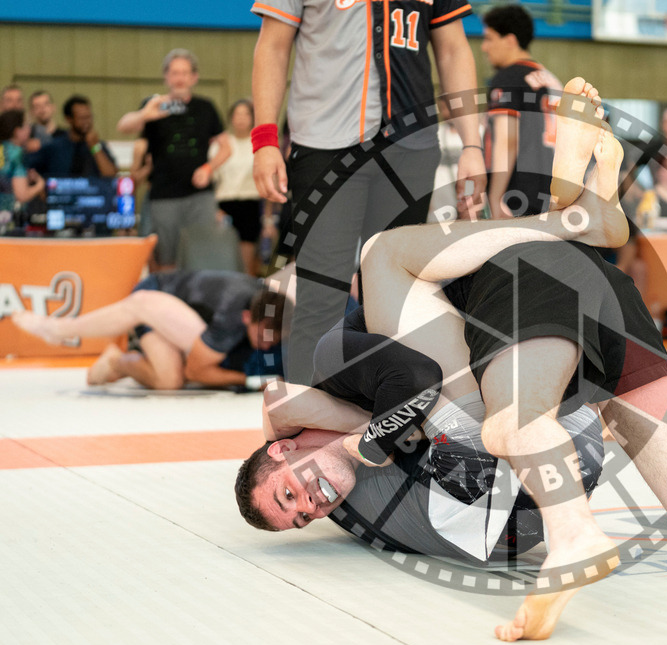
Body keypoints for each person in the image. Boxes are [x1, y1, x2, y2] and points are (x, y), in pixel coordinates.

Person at [236, 78, 667, 643]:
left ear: (287, 446)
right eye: (301, 516)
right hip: (601, 314)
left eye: (292, 491)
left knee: (502, 419)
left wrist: (319, 418)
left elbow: (314, 403)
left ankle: (575, 533)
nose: (312, 505)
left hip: (531, 294)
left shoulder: (343, 369)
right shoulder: (365, 467)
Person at [249, 0, 486, 386]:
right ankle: (306, 430)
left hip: (411, 147)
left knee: (395, 295)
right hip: (325, 147)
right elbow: (273, 45)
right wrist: (265, 140)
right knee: (321, 291)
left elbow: (452, 48)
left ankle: (386, 422)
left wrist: (472, 144)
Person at [12, 270, 285, 390]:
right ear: (247, 317)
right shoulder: (231, 315)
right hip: (155, 293)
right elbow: (196, 371)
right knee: (177, 375)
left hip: (180, 314)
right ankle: (60, 329)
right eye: (262, 337)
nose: (265, 345)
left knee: (170, 381)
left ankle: (117, 360)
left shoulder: (270, 305)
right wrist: (248, 381)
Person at [117, 49, 232, 271]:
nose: (179, 78)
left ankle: (199, 303)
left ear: (194, 77)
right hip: (164, 195)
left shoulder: (205, 107)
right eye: (175, 73)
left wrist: (208, 168)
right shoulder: (154, 106)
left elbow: (226, 148)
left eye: (184, 73)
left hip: (200, 196)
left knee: (202, 255)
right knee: (166, 259)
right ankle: (169, 303)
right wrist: (144, 115)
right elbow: (123, 126)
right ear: (166, 77)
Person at [481, 4, 560, 217]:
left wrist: (495, 198)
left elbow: (507, 140)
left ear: (510, 40)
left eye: (489, 38)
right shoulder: (552, 79)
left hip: (519, 195)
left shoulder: (509, 77)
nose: (484, 47)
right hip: (554, 195)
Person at [212, 99, 265, 276]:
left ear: (252, 118)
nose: (241, 119)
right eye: (237, 114)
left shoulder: (260, 144)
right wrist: (214, 208)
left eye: (246, 114)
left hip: (250, 203)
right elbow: (211, 179)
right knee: (223, 258)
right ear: (231, 118)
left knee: (247, 262)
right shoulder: (221, 143)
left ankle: (247, 298)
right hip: (224, 205)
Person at [30, 95, 117, 178]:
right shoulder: (55, 147)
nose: (86, 122)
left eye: (89, 117)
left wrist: (95, 147)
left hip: (92, 192)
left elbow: (110, 175)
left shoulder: (97, 146)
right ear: (69, 119)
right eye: (82, 118)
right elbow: (30, 166)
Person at [0, 109, 45, 226]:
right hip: (7, 221)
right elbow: (22, 195)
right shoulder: (18, 154)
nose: (29, 129)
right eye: (26, 125)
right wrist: (40, 184)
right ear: (17, 131)